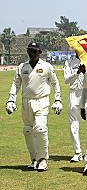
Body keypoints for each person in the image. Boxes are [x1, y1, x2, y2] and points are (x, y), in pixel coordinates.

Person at [6, 42, 62, 171]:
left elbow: (55, 83)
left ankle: (43, 159)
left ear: (39, 52)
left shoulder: (47, 66)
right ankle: (34, 159)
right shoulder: (22, 67)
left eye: (34, 51)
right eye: (30, 51)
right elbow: (16, 84)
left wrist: (57, 99)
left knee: (40, 128)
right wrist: (10, 101)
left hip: (42, 101)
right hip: (26, 102)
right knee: (27, 130)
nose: (32, 53)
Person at [63, 53, 86, 162]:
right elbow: (66, 80)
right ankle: (78, 152)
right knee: (73, 124)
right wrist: (77, 73)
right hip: (74, 93)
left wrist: (85, 72)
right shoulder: (69, 62)